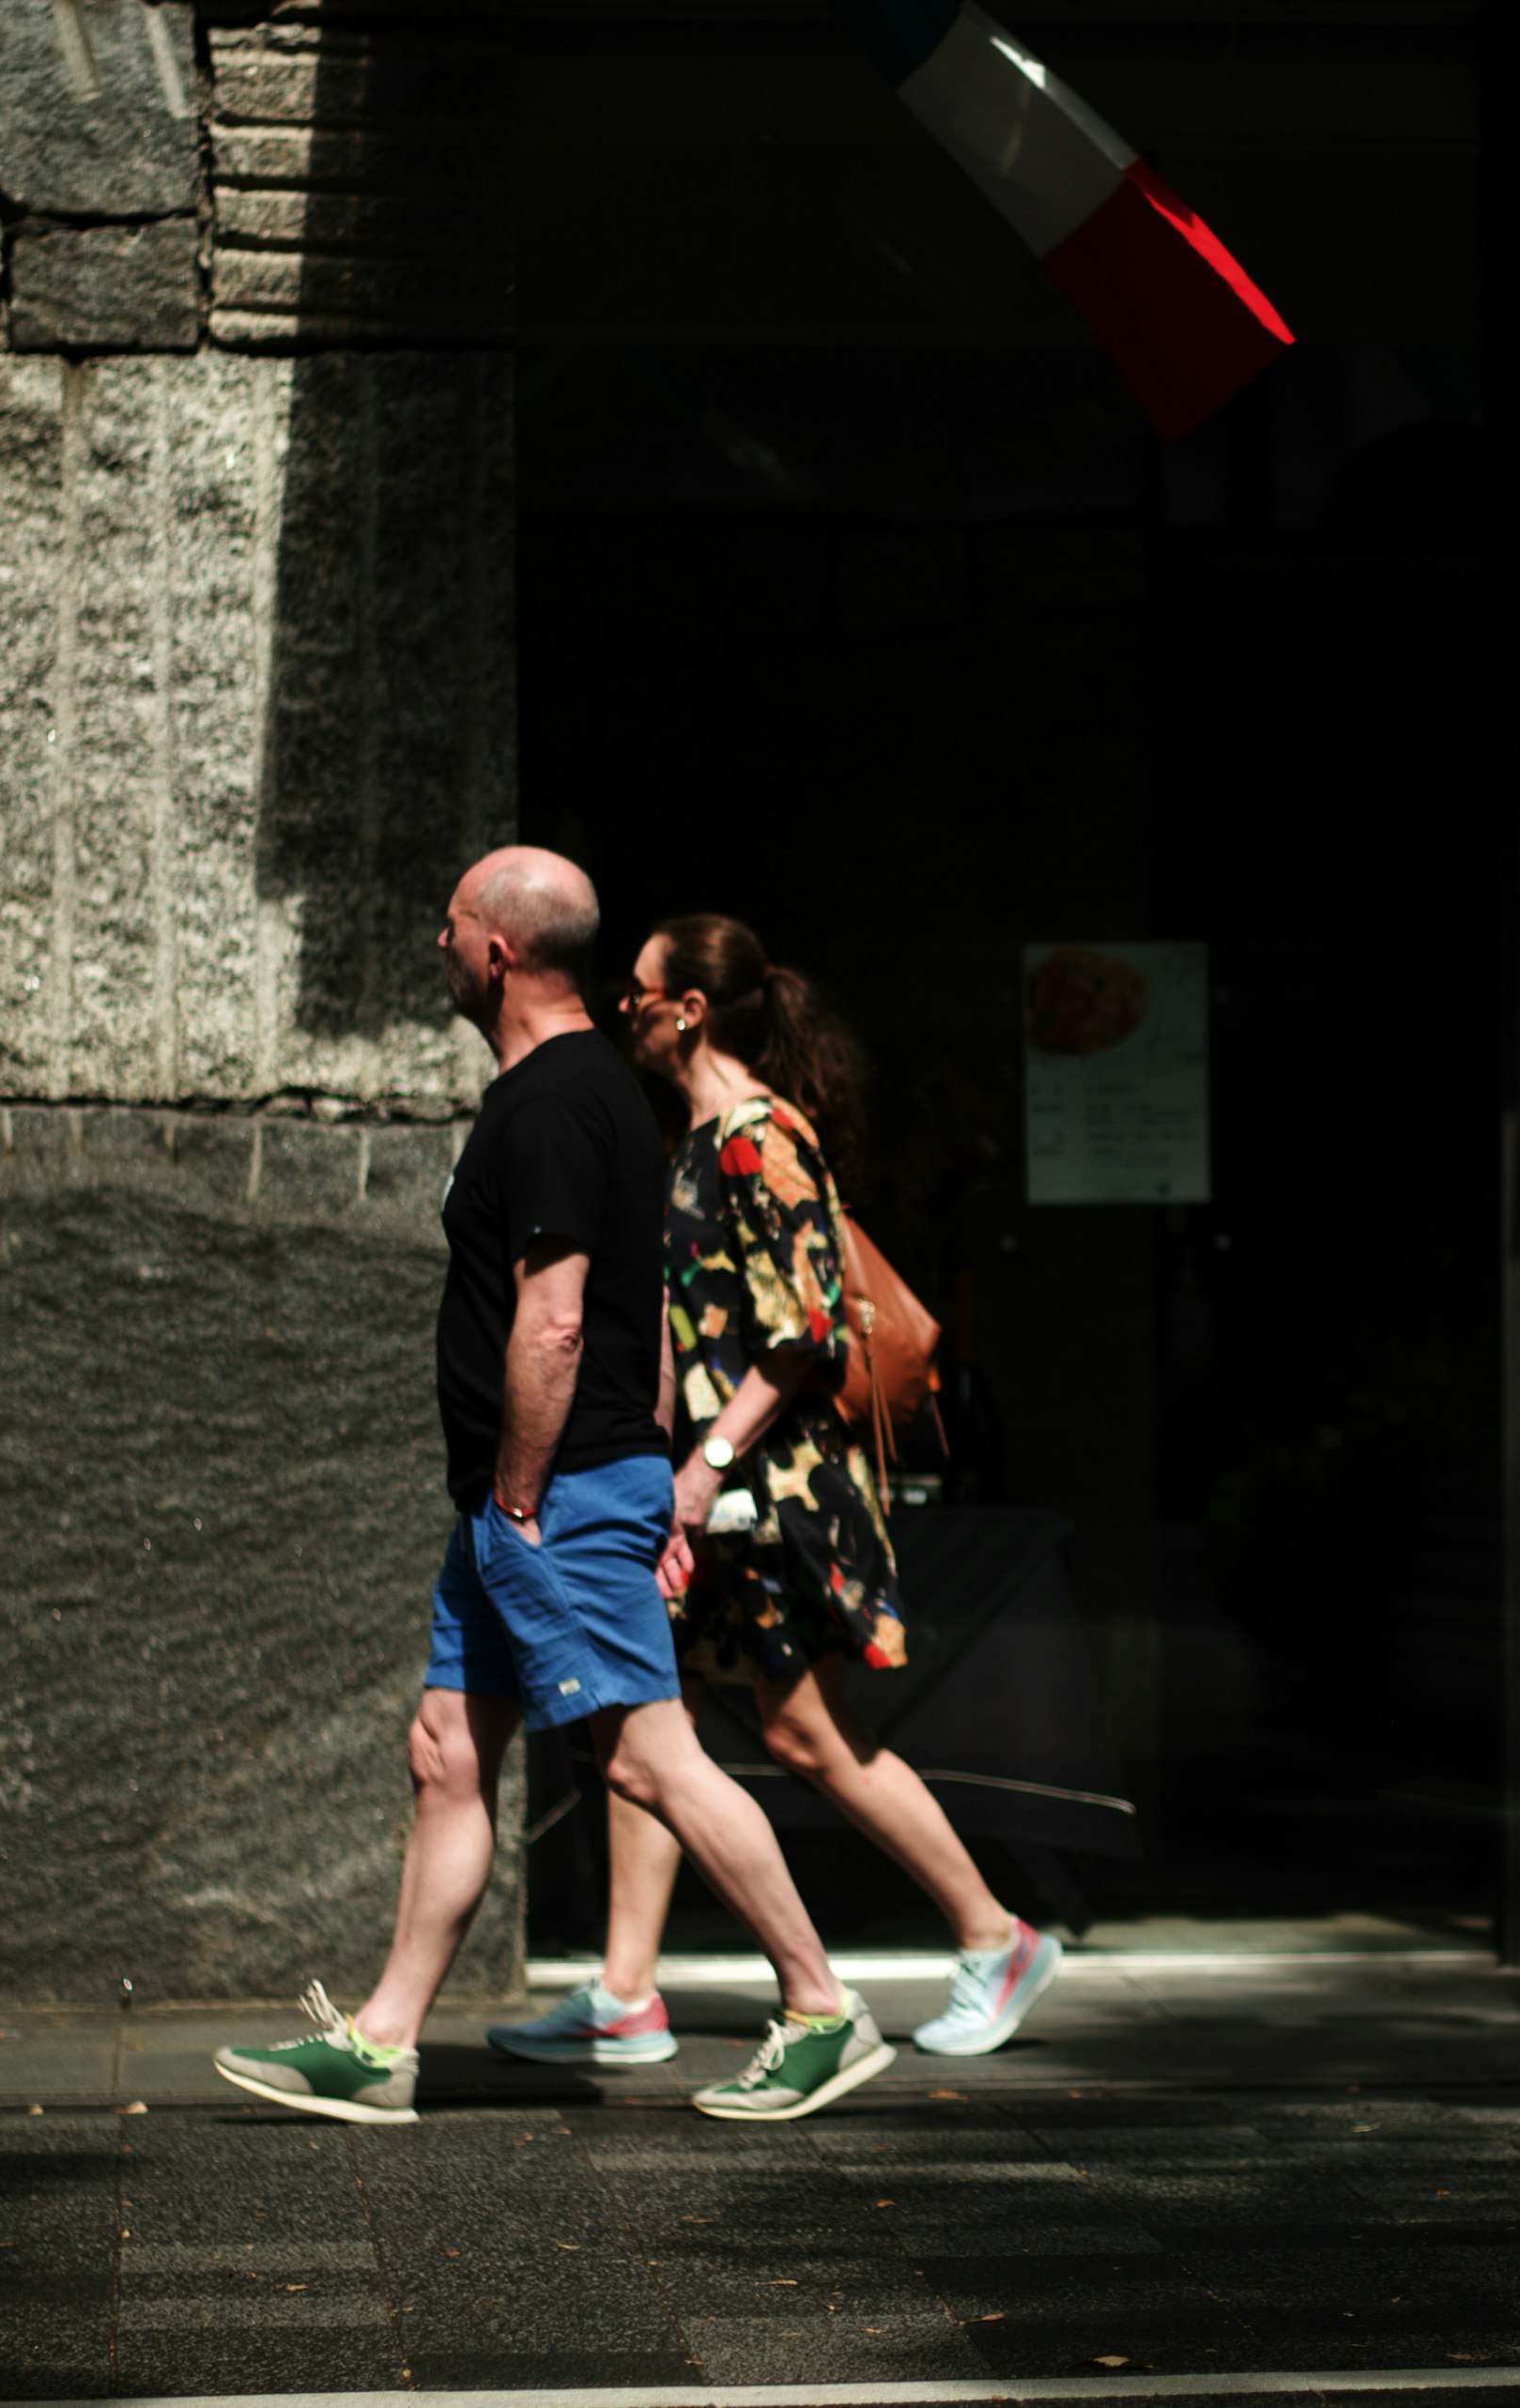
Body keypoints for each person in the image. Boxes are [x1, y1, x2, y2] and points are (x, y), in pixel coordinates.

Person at [215, 851, 894, 2126]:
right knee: (445, 1751)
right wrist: (635, 1485)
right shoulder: (583, 1095)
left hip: (549, 1493)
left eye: (455, 922)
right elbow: (644, 1324)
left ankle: (820, 2006)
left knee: (650, 1763)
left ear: (499, 952)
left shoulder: (554, 1100)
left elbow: (561, 1320)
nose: (438, 939)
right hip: (548, 1492)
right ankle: (382, 2043)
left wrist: (538, 1496)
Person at [488, 912, 1060, 2070]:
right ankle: (626, 1992)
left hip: (775, 1491)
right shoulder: (698, 1142)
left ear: (687, 1010)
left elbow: (801, 1330)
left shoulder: (758, 1138)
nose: (620, 1011)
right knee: (653, 1722)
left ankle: (995, 1935)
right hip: (718, 1493)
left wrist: (698, 1474)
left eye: (635, 995)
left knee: (808, 1736)